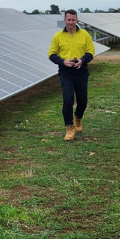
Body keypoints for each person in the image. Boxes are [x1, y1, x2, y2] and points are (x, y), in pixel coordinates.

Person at [48, 10, 94, 141]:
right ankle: (69, 128)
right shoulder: (58, 36)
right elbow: (51, 54)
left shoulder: (84, 34)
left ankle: (77, 118)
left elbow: (91, 51)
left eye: (73, 20)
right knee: (68, 100)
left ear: (77, 20)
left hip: (81, 71)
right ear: (64, 20)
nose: (71, 22)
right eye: (68, 20)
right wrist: (63, 62)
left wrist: (82, 60)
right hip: (66, 72)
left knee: (82, 101)